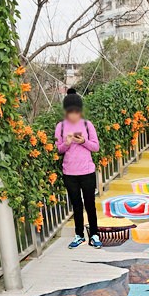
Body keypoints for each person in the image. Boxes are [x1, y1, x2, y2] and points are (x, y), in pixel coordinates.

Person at [55, 89, 102, 249]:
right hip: (69, 173)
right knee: (76, 205)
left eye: (76, 111)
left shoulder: (88, 125)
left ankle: (94, 234)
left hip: (87, 171)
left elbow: (96, 147)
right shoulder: (60, 127)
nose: (73, 114)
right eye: (70, 111)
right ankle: (79, 235)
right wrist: (67, 143)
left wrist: (83, 141)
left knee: (90, 204)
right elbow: (59, 150)